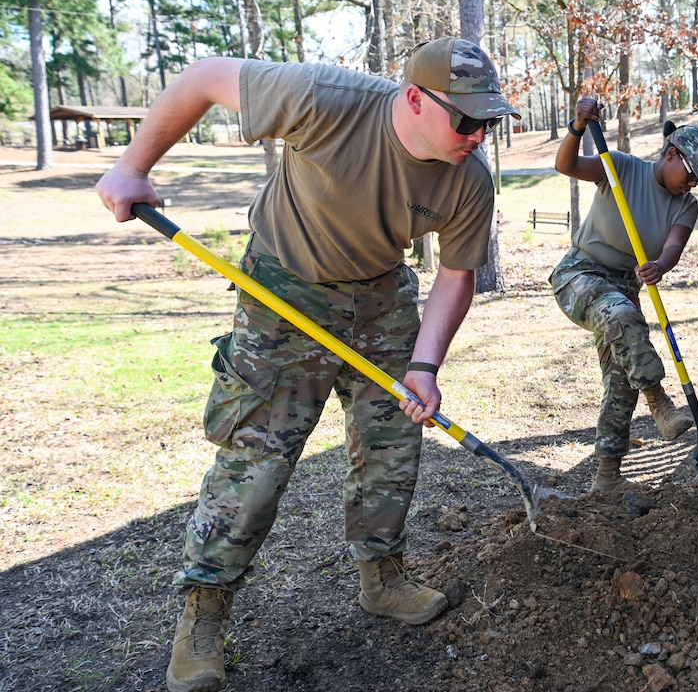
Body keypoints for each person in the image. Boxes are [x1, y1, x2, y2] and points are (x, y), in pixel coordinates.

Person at [95, 37, 519, 692]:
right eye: (467, 120)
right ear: (414, 99)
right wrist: (132, 168)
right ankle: (204, 611)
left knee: (391, 445)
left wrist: (425, 366)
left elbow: (457, 274)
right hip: (283, 291)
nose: (478, 135)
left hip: (381, 296)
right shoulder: (325, 100)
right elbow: (204, 76)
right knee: (259, 461)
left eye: (488, 121)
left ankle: (382, 577)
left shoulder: (469, 179)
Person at [549, 98, 698, 492]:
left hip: (625, 286)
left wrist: (661, 265)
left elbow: (674, 246)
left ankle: (607, 478)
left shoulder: (686, 207)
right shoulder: (620, 167)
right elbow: (566, 166)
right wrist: (577, 127)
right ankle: (658, 399)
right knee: (623, 316)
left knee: (622, 379)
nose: (692, 184)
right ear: (671, 155)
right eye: (692, 174)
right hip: (581, 273)